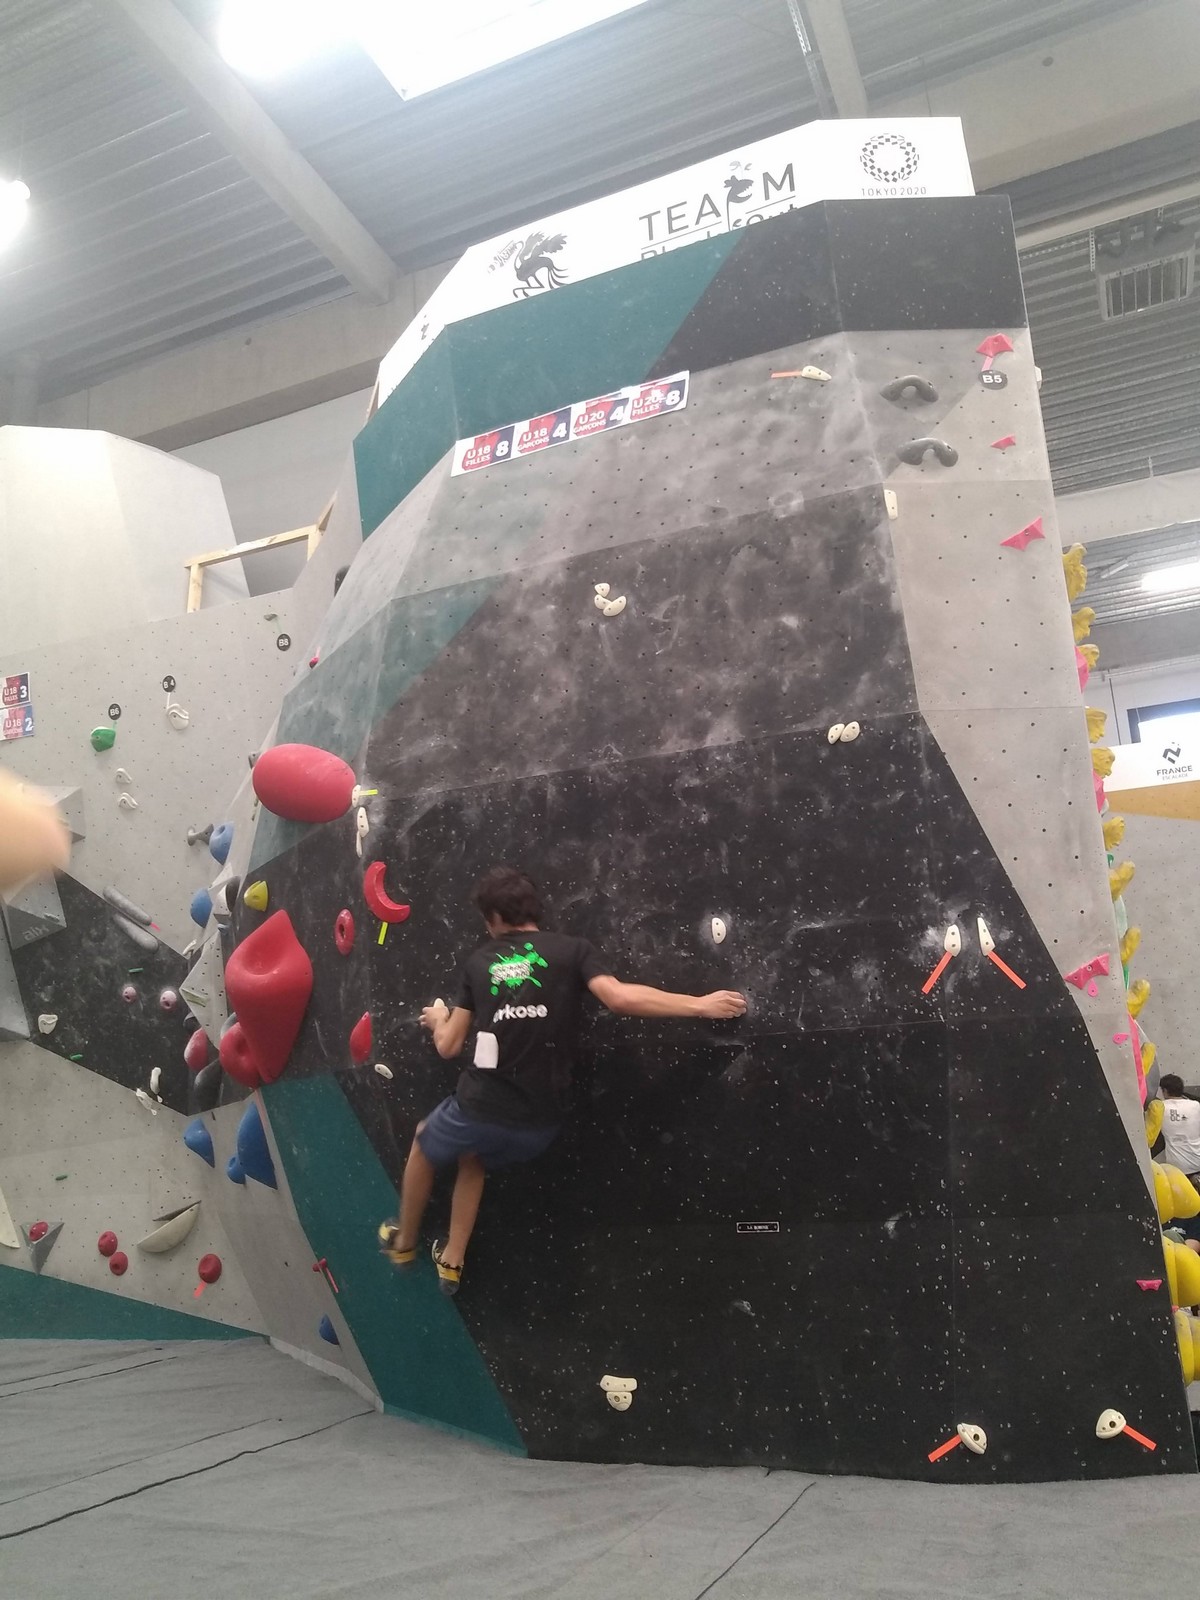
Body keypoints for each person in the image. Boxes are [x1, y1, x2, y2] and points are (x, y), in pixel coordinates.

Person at [379, 865, 746, 1295]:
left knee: (424, 1141)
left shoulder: (479, 963)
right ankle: (453, 1258)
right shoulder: (573, 950)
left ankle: (404, 1242)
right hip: (541, 1125)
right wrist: (700, 1004)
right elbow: (619, 997)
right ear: (534, 910)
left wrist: (439, 1017)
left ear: (492, 918)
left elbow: (448, 1046)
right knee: (472, 1156)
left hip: (481, 1107)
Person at [1160, 1075, 1200, 1256]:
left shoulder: (1160, 1108)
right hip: (1197, 1163)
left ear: (1164, 1091)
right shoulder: (1196, 1106)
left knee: (1181, 1208)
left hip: (1178, 1170)